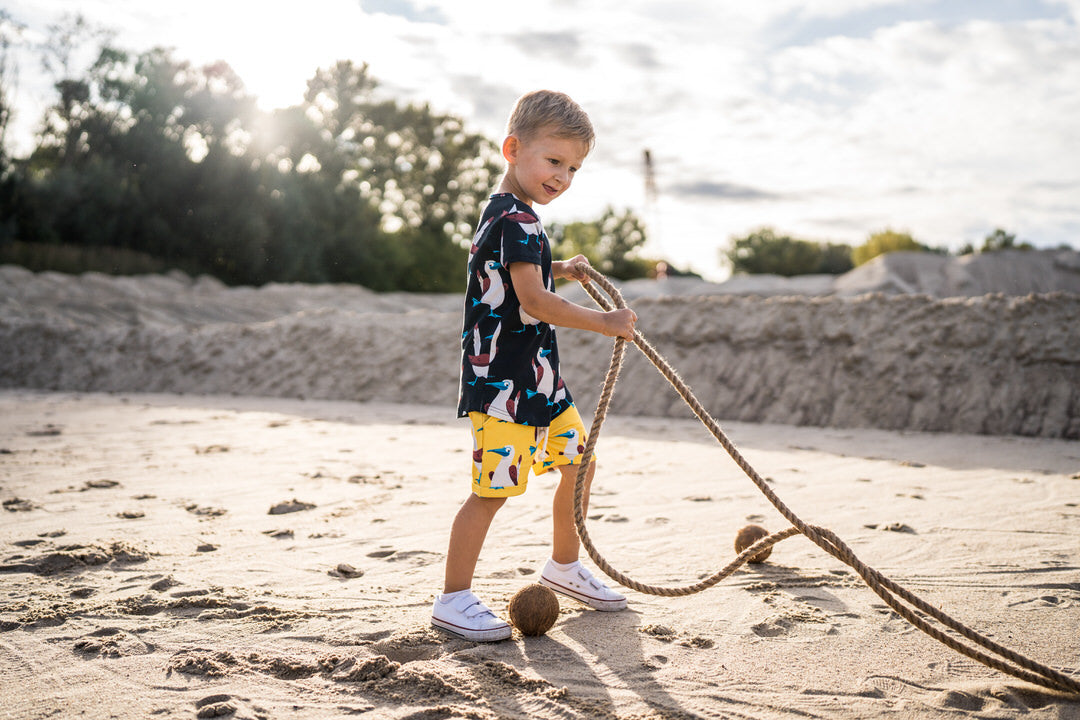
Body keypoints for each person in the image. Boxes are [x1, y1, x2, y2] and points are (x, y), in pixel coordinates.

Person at [431, 90, 638, 642]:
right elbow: (533, 302)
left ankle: (564, 567)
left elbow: (515, 271)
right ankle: (453, 598)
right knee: (492, 490)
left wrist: (558, 265)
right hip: (503, 383)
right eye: (553, 161)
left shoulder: (507, 215)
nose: (563, 177)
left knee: (579, 464)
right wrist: (605, 321)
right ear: (513, 149)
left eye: (573, 168)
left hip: (539, 380)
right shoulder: (517, 220)